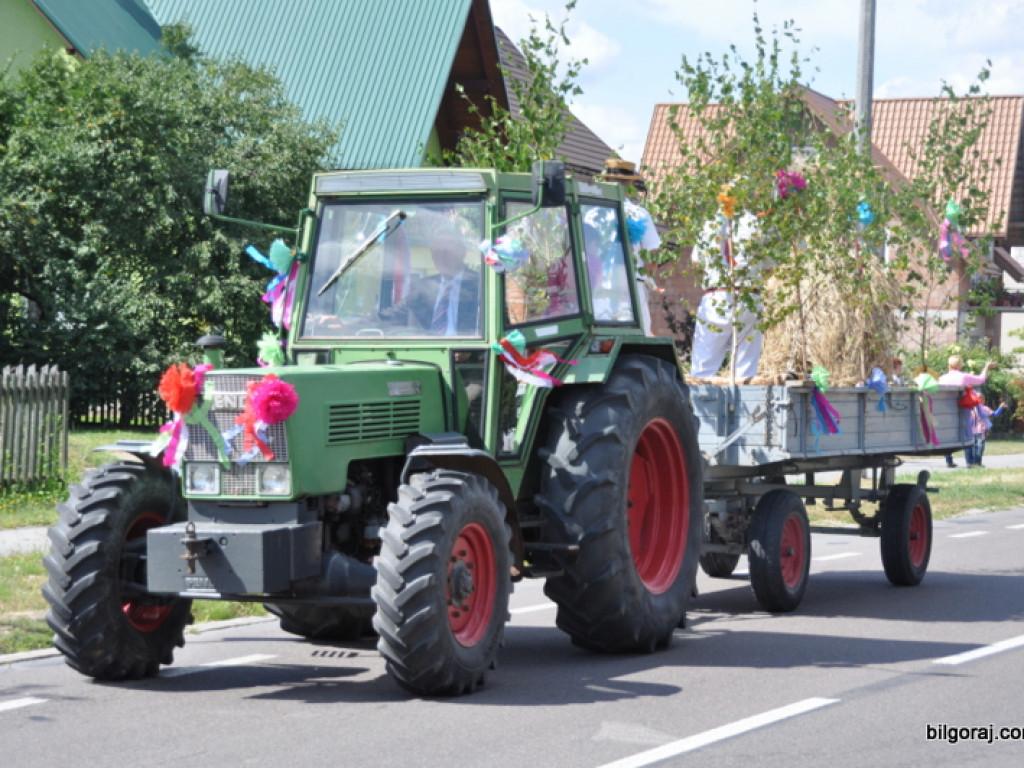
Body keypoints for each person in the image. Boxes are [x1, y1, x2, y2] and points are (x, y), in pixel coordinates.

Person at [690, 205, 765, 379]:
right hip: (748, 294)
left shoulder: (710, 224)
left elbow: (696, 262)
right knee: (745, 369)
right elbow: (769, 266)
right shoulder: (756, 224)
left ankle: (702, 403)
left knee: (703, 366)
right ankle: (744, 401)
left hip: (716, 295)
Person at [379, 229, 480, 335]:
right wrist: (362, 323)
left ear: (462, 252)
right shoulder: (422, 287)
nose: (441, 257)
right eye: (436, 252)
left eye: (446, 251)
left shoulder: (481, 286)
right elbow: (394, 315)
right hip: (429, 349)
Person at [938, 355, 995, 467]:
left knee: (948, 437)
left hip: (946, 412)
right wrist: (987, 366)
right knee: (968, 436)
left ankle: (949, 461)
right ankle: (970, 462)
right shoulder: (964, 377)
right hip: (962, 410)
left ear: (949, 365)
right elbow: (981, 379)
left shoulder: (942, 378)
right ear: (961, 365)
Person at [968, 400, 1006, 468]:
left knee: (975, 447)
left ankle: (974, 463)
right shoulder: (984, 408)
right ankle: (977, 463)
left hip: (972, 431)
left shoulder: (970, 409)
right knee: (979, 448)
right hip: (980, 430)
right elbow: (995, 414)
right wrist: (1001, 407)